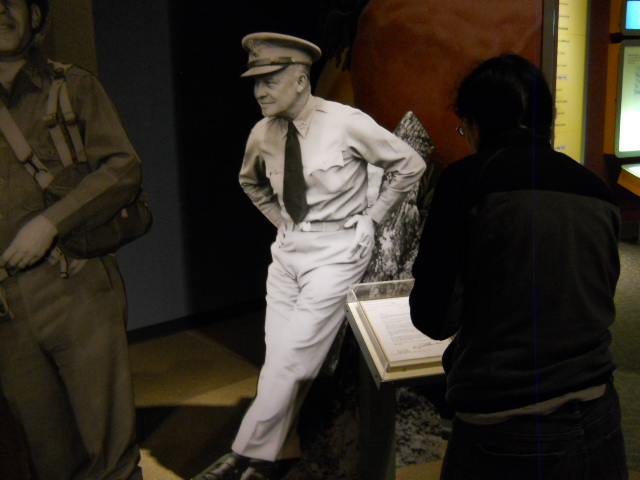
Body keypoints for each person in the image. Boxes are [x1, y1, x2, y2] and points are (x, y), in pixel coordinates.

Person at [193, 32, 425, 480]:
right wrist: (281, 221)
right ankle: (279, 453)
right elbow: (250, 182)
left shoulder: (345, 122)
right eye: (255, 82)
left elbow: (409, 165)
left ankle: (242, 456)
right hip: (288, 252)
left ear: (300, 80)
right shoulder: (262, 133)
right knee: (280, 359)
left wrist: (372, 218)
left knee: (294, 358)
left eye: (269, 80)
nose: (259, 91)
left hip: (337, 252)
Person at [409, 54, 628, 480]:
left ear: (476, 123)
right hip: (600, 412)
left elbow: (434, 318)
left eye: (464, 128)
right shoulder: (597, 191)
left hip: (504, 426)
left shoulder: (468, 181)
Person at [0, 1, 144, 479]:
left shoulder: (71, 85)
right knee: (50, 460)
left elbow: (122, 168)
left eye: (13, 0)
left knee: (111, 457)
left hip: (75, 287)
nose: (1, 10)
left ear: (35, 15)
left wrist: (51, 223)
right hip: (6, 311)